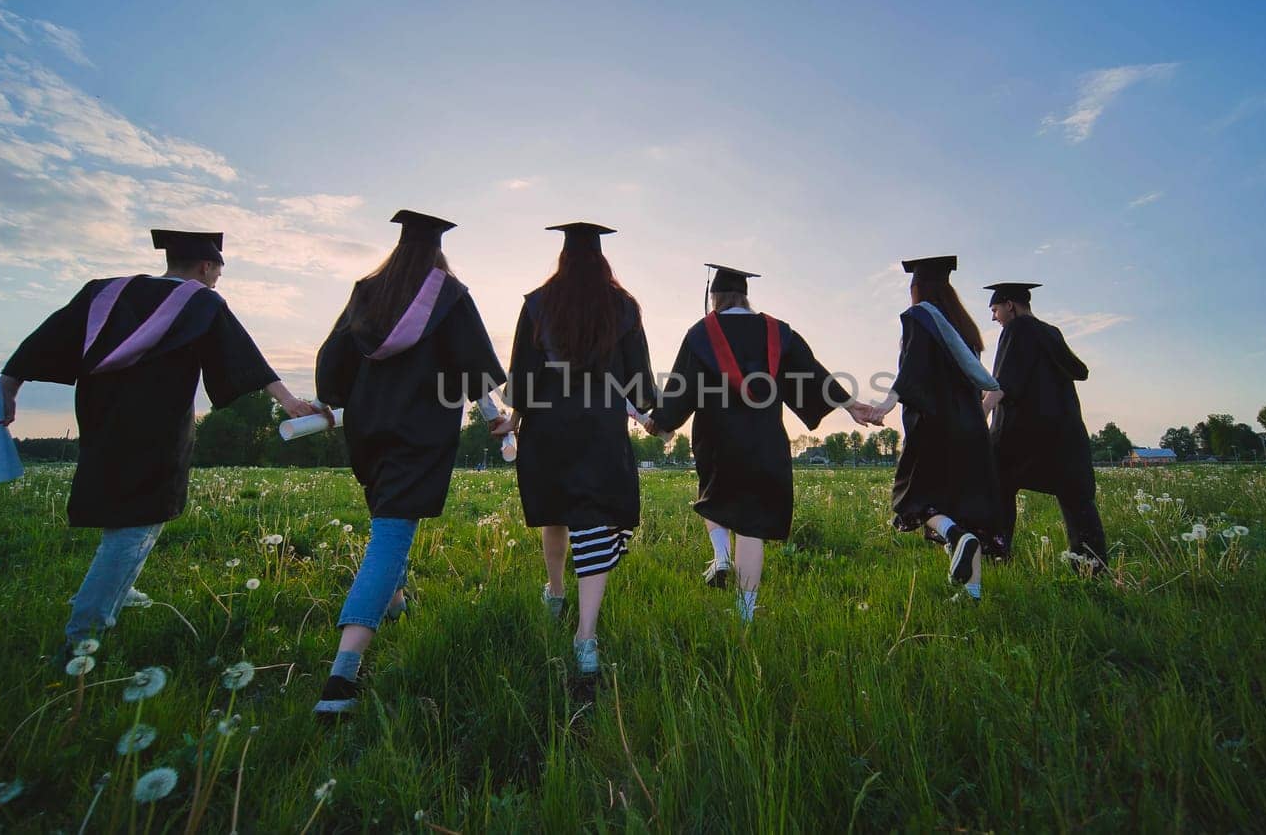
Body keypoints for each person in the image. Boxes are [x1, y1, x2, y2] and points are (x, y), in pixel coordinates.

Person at [0, 229, 322, 663]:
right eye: (216, 275)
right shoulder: (201, 302)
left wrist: (7, 388)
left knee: (123, 512)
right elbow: (245, 358)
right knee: (139, 522)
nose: (214, 283)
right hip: (158, 426)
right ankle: (83, 637)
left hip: (101, 419)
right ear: (206, 267)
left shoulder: (105, 293)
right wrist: (289, 403)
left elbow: (46, 338)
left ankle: (122, 586)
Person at [310, 209, 509, 718]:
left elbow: (334, 358)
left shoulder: (368, 289)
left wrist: (331, 401)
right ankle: (342, 674)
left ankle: (395, 601)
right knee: (391, 534)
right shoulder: (449, 296)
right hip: (418, 430)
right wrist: (495, 416)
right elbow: (474, 367)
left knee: (388, 518)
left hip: (367, 428)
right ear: (439, 251)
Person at [646, 264, 878, 622]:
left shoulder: (701, 333)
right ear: (745, 295)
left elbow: (681, 387)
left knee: (713, 500)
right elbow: (813, 372)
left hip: (717, 441)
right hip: (765, 440)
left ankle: (721, 556)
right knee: (751, 526)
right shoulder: (777, 332)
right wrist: (849, 404)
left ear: (715, 298)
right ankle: (746, 613)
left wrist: (661, 422)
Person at [504, 221, 657, 678]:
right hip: (599, 426)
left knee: (555, 510)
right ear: (602, 260)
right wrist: (650, 411)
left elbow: (522, 373)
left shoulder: (537, 303)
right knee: (593, 518)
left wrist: (513, 419)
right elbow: (639, 377)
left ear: (564, 258)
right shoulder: (624, 306)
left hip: (548, 424)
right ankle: (585, 636)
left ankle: (555, 594)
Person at [863, 255, 1004, 601]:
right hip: (970, 424)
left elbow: (911, 367)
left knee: (913, 498)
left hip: (934, 425)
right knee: (963, 503)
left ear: (917, 288)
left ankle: (956, 537)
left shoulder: (919, 316)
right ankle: (971, 592)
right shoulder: (963, 328)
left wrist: (886, 403)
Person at [984, 282, 1106, 569]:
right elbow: (1080, 370)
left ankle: (998, 556)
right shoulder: (1050, 332)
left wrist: (980, 414)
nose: (994, 317)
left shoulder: (1015, 329)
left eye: (995, 309)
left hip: (1021, 434)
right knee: (1076, 498)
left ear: (1010, 305)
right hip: (1064, 432)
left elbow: (1002, 382)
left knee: (997, 487)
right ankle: (1091, 566)